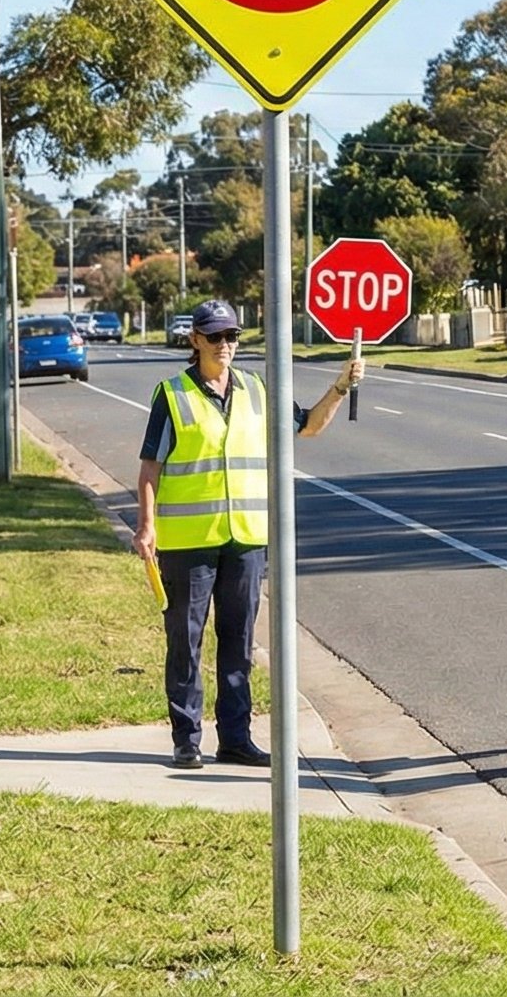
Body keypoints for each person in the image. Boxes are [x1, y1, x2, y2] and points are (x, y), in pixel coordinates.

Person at [135, 298, 362, 770]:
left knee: (239, 641)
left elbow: (309, 427)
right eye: (215, 336)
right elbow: (150, 465)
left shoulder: (258, 390)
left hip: (246, 538)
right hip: (187, 540)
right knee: (186, 640)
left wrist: (340, 386)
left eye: (232, 336)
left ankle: (235, 738)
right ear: (194, 340)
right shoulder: (172, 394)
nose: (225, 345)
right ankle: (186, 739)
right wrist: (147, 525)